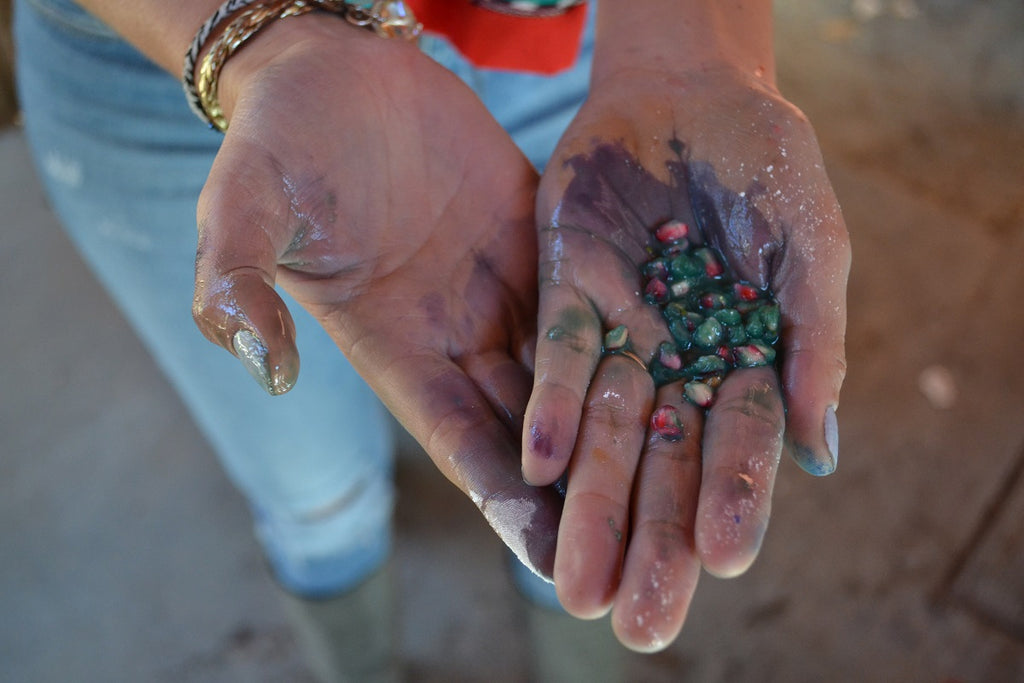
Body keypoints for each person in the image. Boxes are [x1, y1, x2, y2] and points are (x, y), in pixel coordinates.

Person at [14, 0, 850, 674]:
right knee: (317, 497)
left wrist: (696, 57)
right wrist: (257, 39)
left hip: (589, 46)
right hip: (168, 49)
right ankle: (360, 664)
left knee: (586, 485)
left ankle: (582, 655)